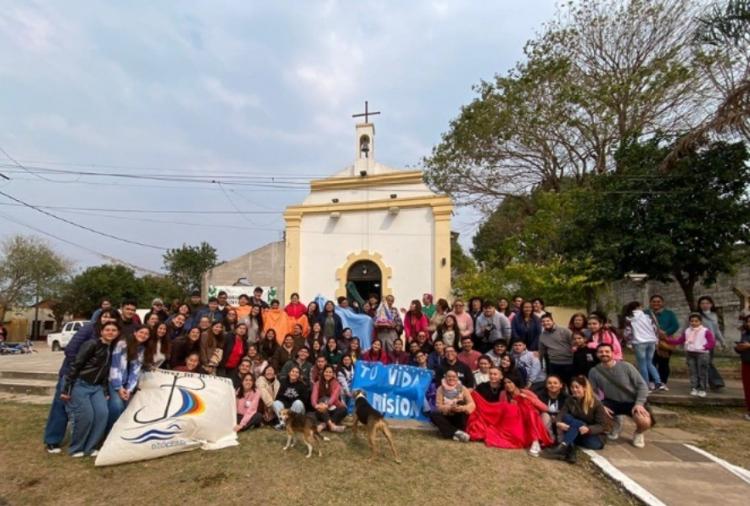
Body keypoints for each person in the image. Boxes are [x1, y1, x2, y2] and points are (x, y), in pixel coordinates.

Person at [43, 310, 121, 454]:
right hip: (72, 375)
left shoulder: (111, 342)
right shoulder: (88, 330)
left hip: (93, 382)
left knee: (98, 413)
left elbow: (104, 367)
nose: (108, 319)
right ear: (99, 318)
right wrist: (81, 368)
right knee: (60, 409)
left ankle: (90, 446)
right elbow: (71, 351)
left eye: (112, 318)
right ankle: (52, 441)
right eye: (105, 316)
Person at [60, 321, 120, 457]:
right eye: (108, 330)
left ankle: (91, 447)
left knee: (102, 414)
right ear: (101, 332)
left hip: (97, 387)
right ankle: (76, 448)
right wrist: (67, 388)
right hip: (80, 384)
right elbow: (76, 365)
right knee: (86, 416)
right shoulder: (91, 344)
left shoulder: (111, 348)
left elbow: (104, 372)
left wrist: (105, 391)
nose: (111, 332)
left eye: (114, 330)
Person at [588, 343, 652, 448]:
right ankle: (616, 423)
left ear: (613, 353)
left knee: (644, 420)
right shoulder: (594, 371)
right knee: (597, 411)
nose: (604, 354)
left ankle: (639, 433)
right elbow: (591, 391)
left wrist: (639, 403)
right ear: (597, 354)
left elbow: (642, 386)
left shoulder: (626, 366)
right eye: (601, 352)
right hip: (612, 401)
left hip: (632, 401)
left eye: (607, 351)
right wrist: (600, 404)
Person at [542, 375, 608, 463]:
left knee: (574, 425)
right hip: (578, 433)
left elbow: (602, 426)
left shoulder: (596, 403)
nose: (574, 390)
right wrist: (558, 422)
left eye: (577, 387)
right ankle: (569, 450)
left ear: (584, 388)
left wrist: (588, 429)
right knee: (567, 418)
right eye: (572, 387)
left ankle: (565, 449)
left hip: (593, 438)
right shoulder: (570, 400)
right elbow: (561, 414)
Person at [107, 325, 151, 433]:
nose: (143, 335)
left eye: (146, 334)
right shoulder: (122, 344)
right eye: (141, 332)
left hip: (126, 384)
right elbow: (115, 366)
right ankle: (108, 432)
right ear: (135, 332)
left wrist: (129, 389)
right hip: (113, 381)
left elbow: (135, 371)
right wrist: (119, 387)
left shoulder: (141, 349)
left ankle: (118, 433)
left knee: (127, 406)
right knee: (117, 406)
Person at [666, 313, 716, 397]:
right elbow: (680, 340)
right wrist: (668, 340)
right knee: (693, 371)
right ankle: (694, 388)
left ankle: (702, 389)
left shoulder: (705, 331)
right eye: (692, 321)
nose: (694, 323)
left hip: (702, 353)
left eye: (696, 321)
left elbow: (711, 342)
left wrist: (704, 347)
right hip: (690, 353)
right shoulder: (688, 331)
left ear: (700, 321)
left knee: (702, 372)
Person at [623, 301, 665, 390]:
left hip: (639, 342)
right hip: (651, 341)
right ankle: (658, 381)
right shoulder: (648, 316)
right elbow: (655, 328)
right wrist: (656, 340)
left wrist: (629, 343)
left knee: (642, 364)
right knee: (649, 362)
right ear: (639, 307)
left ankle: (645, 384)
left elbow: (628, 332)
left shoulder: (629, 318)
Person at [429, 370, 475, 442]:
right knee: (433, 414)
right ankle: (456, 432)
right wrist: (450, 408)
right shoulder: (440, 389)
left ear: (457, 378)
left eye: (454, 376)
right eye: (449, 376)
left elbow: (472, 404)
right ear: (445, 377)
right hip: (447, 415)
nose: (451, 378)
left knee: (461, 402)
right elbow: (438, 406)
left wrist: (462, 408)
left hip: (459, 415)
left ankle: (450, 432)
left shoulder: (463, 388)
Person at [644, 294, 680, 388]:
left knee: (663, 362)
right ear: (650, 303)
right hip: (649, 341)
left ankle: (662, 382)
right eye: (654, 301)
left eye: (658, 301)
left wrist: (666, 333)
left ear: (662, 303)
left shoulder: (669, 313)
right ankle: (652, 381)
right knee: (650, 361)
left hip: (664, 342)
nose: (656, 303)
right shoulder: (645, 313)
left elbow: (675, 325)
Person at [697, 295, 726, 390]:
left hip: (711, 343)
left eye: (707, 303)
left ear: (711, 304)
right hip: (699, 343)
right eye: (702, 303)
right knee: (705, 362)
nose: (705, 305)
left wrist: (722, 341)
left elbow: (716, 330)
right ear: (699, 305)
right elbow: (687, 328)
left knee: (707, 363)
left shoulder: (714, 315)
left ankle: (709, 383)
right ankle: (716, 382)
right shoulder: (696, 315)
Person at [538, 313, 574, 385]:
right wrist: (540, 364)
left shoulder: (564, 331)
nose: (545, 323)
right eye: (543, 321)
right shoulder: (542, 336)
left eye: (548, 321)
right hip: (553, 364)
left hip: (568, 363)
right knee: (555, 383)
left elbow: (574, 343)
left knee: (569, 383)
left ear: (553, 321)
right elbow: (541, 351)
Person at [311, 365, 347, 432]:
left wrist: (327, 405)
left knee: (344, 410)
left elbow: (334, 397)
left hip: (332, 408)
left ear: (333, 374)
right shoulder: (317, 383)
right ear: (323, 372)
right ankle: (332, 426)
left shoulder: (337, 384)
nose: (328, 374)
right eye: (326, 372)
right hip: (321, 410)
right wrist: (316, 405)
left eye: (330, 372)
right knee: (323, 401)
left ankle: (323, 425)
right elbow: (314, 396)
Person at [538, 375, 568, 442]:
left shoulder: (566, 397)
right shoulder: (540, 396)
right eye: (549, 383)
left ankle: (562, 442)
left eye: (555, 383)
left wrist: (557, 418)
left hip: (560, 421)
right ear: (546, 385)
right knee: (545, 415)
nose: (552, 385)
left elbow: (566, 411)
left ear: (561, 385)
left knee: (565, 417)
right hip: (546, 422)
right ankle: (550, 439)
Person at [735, 315, 750, 421]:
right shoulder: (745, 333)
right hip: (746, 362)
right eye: (748, 321)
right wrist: (738, 348)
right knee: (748, 387)